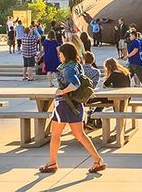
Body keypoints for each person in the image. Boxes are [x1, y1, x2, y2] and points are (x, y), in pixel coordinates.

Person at [38, 43, 106, 175]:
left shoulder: (67, 68)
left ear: (66, 54)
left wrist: (62, 91)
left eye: (61, 54)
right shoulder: (76, 65)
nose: (59, 56)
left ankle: (52, 163)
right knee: (80, 134)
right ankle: (98, 160)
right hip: (76, 104)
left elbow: (75, 83)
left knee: (55, 134)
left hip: (64, 104)